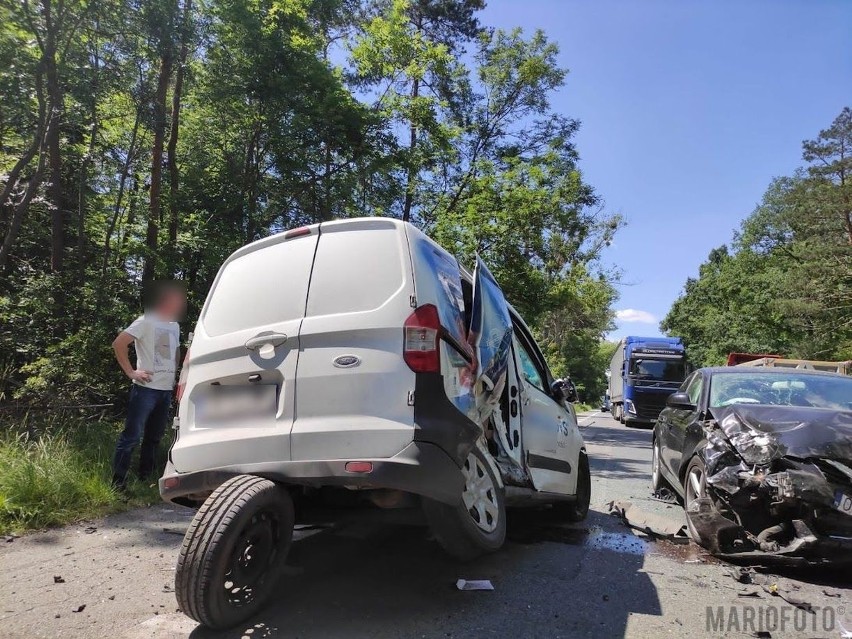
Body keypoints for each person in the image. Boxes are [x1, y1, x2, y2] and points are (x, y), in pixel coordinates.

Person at [111, 281, 186, 489]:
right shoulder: (146, 321)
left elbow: (176, 351)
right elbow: (119, 343)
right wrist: (131, 372)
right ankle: (118, 484)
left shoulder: (174, 325)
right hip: (145, 389)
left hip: (164, 390)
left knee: (153, 438)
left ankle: (146, 480)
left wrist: (175, 377)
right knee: (131, 437)